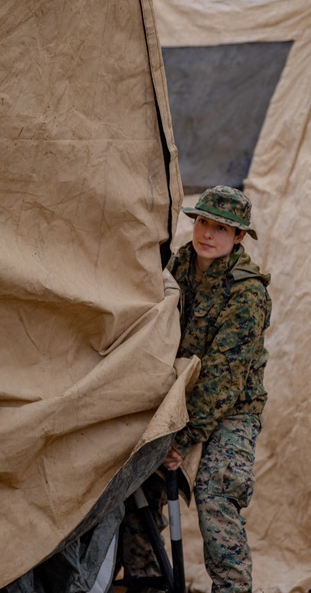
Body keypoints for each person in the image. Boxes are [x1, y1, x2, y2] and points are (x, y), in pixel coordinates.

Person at [120, 185, 272, 593]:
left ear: (239, 237)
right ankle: (148, 582)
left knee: (216, 491)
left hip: (231, 408)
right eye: (203, 221)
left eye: (221, 228)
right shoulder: (177, 267)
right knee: (133, 479)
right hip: (175, 396)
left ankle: (231, 588)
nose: (207, 233)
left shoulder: (247, 293)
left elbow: (225, 381)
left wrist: (182, 441)